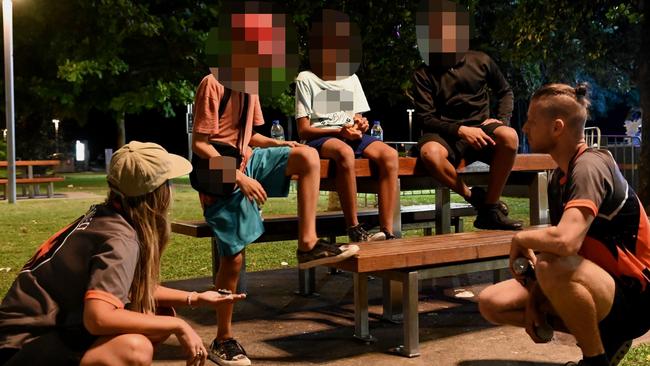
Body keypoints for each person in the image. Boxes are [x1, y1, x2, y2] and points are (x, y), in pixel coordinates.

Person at [0, 141, 245, 366]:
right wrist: (179, 325)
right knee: (134, 349)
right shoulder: (120, 239)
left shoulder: (107, 216)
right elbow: (97, 318)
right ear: (157, 194)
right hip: (22, 348)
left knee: (155, 315)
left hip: (34, 335)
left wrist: (195, 298)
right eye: (167, 183)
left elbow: (126, 287)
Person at [478, 83, 650, 366]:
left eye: (532, 121)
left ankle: (595, 359)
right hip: (602, 285)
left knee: (549, 265)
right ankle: (607, 337)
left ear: (557, 127)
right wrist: (534, 304)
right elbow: (563, 250)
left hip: (636, 298)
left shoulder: (589, 166)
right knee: (493, 302)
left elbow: (565, 241)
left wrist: (520, 239)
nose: (524, 127)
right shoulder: (560, 177)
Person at [412, 0, 522, 230]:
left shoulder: (481, 60)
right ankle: (475, 198)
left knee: (510, 137)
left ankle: (490, 210)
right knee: (430, 154)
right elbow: (425, 117)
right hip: (445, 133)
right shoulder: (423, 73)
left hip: (481, 128)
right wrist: (461, 130)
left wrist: (501, 121)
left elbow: (505, 91)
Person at [295, 9, 399, 242]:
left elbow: (357, 119)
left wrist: (359, 125)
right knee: (343, 152)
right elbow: (303, 129)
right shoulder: (306, 78)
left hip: (348, 135)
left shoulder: (351, 78)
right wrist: (338, 131)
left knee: (390, 155)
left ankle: (386, 230)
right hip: (321, 137)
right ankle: (353, 226)